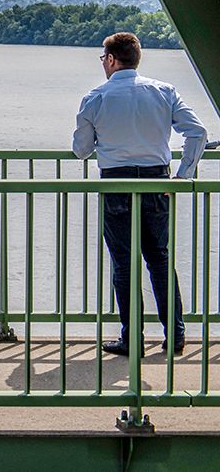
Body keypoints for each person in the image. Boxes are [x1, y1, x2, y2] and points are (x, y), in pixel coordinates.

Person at [73, 32, 203, 357]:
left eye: (103, 57)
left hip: (116, 185)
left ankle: (132, 339)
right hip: (157, 182)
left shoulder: (96, 98)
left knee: (123, 264)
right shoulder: (163, 91)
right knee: (159, 259)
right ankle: (174, 335)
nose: (103, 63)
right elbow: (197, 133)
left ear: (113, 60)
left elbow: (81, 151)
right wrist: (181, 176)